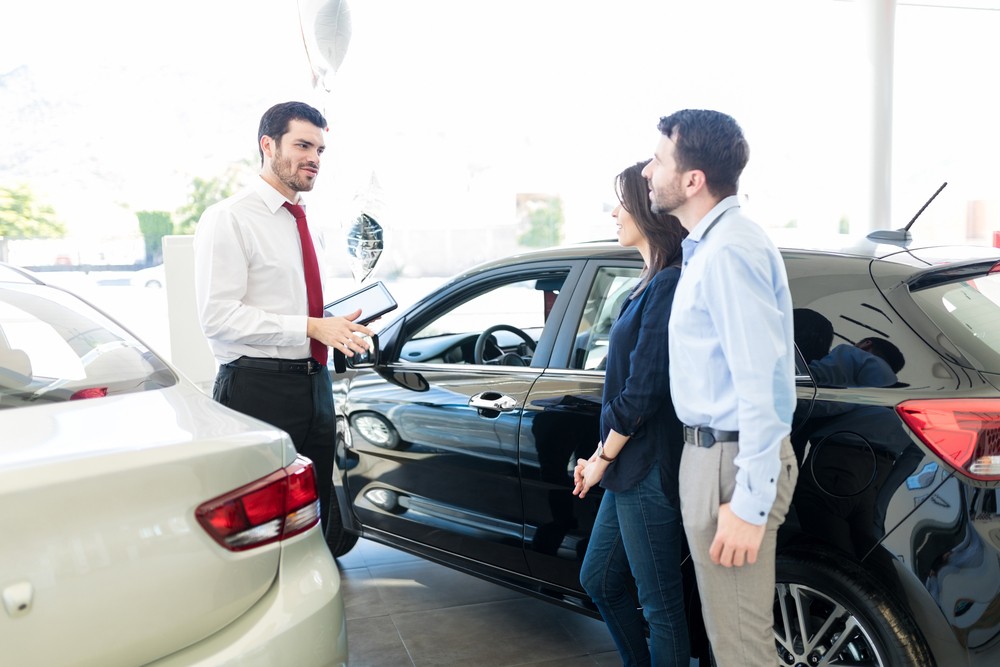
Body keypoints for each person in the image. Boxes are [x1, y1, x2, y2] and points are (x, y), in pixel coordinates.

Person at [641, 109, 798, 666]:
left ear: (692, 180)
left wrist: (749, 503)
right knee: (732, 641)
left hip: (730, 463)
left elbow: (762, 385)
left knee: (741, 651)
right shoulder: (711, 246)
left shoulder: (730, 249)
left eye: (659, 160)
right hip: (715, 456)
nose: (647, 173)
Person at [194, 101, 375, 533]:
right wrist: (311, 326)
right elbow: (217, 316)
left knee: (313, 516)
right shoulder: (229, 218)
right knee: (257, 527)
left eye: (320, 149)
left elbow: (291, 306)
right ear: (268, 144)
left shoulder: (306, 221)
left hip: (315, 385)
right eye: (302, 145)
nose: (314, 158)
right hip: (257, 391)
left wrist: (332, 326)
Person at [572, 161, 690, 666]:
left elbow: (643, 390)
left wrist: (600, 458)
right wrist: (604, 460)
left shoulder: (669, 283)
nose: (614, 212)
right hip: (627, 467)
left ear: (646, 208)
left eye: (621, 202)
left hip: (646, 467)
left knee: (662, 606)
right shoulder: (645, 281)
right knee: (598, 579)